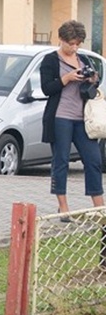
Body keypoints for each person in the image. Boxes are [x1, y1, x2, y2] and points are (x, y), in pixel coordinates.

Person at [40, 19, 103, 216]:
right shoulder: (50, 60)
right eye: (71, 44)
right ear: (61, 40)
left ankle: (99, 207)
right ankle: (64, 208)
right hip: (60, 117)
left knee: (93, 159)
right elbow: (46, 88)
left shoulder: (84, 59)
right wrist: (66, 79)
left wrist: (92, 79)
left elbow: (92, 87)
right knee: (62, 161)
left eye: (78, 44)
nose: (74, 47)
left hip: (82, 119)